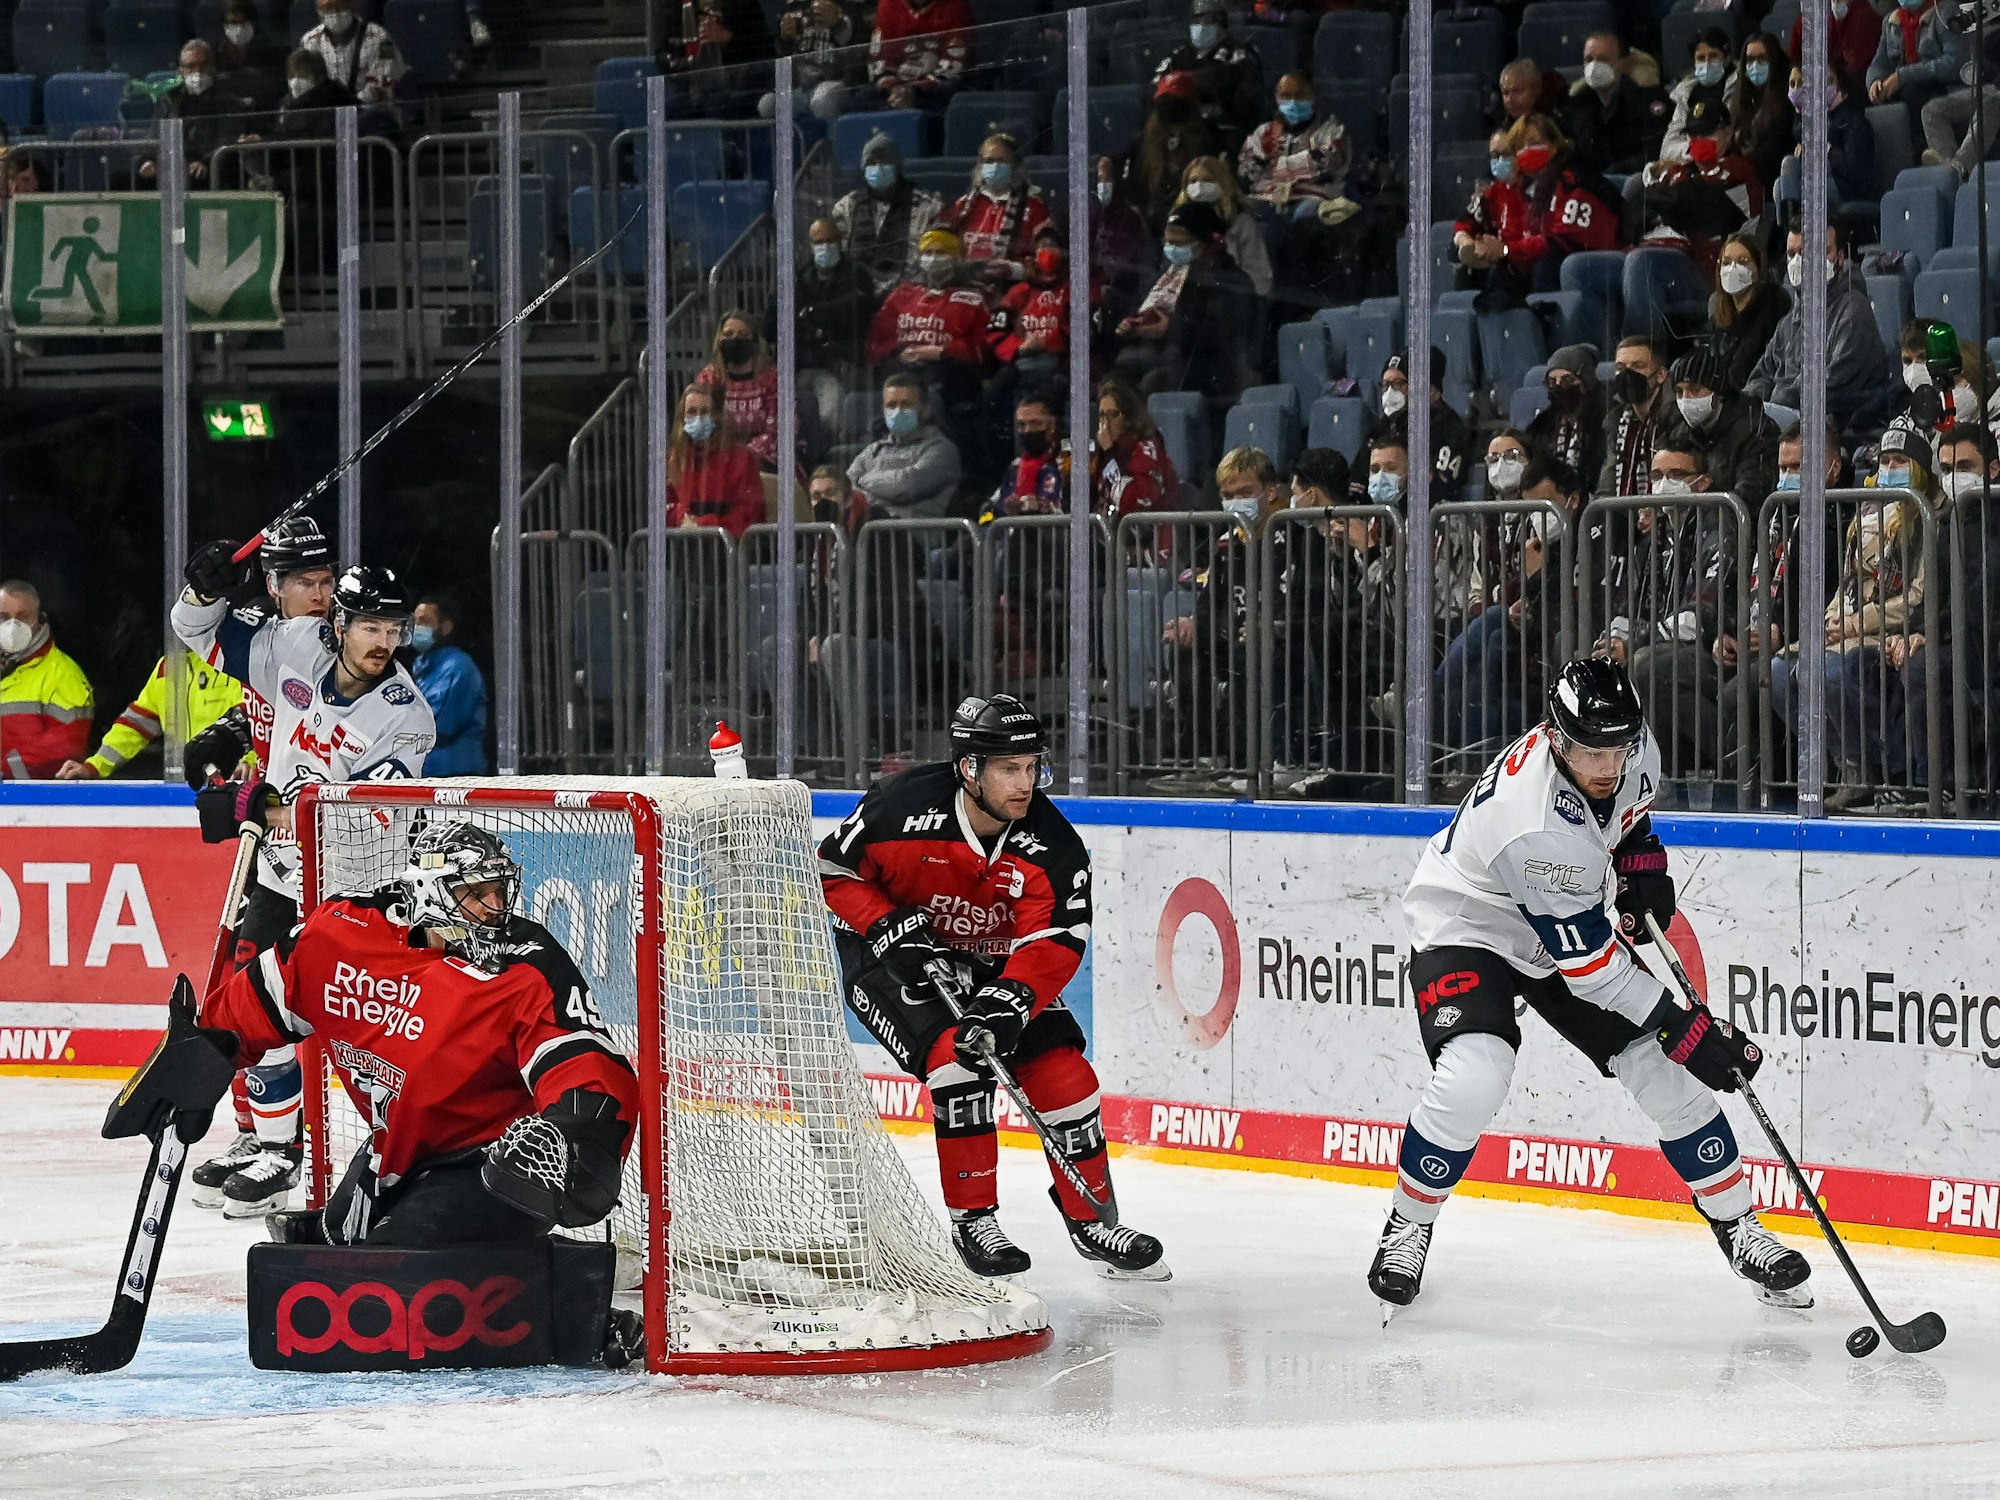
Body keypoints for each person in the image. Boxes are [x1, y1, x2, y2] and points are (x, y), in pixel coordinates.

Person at [1372, 656, 1811, 1313]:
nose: (1608, 767)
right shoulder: (1534, 823)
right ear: (1554, 738)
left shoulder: (1633, 749)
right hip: (1471, 923)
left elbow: (1628, 821)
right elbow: (1593, 972)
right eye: (1588, 752)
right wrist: (1686, 1027)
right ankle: (1410, 1222)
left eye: (1618, 749)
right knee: (1473, 1077)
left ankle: (1739, 1226)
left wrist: (1641, 863)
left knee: (1667, 1075)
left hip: (1560, 923)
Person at [818, 694, 1168, 1279]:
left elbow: (1055, 938)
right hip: (891, 959)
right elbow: (832, 871)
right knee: (959, 1066)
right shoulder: (898, 806)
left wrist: (1012, 999)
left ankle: (1092, 1218)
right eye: (1009, 768)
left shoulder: (1053, 843)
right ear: (968, 769)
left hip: (994, 966)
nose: (1025, 784)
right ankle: (974, 1219)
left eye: (1032, 768)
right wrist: (882, 923)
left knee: (1066, 1076)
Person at [193, 820, 639, 1247]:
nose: (494, 906)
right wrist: (193, 1057)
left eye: (498, 890)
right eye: (474, 893)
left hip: (491, 1163)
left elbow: (582, 1062)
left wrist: (583, 1138)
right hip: (396, 1152)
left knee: (396, 1268)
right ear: (430, 891)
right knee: (331, 1246)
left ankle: (591, 1309)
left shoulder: (525, 961)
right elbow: (254, 1004)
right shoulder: (344, 933)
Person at [171, 556, 435, 1215]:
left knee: (362, 1041)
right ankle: (277, 1151)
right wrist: (204, 589)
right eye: (371, 625)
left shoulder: (406, 716)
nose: (384, 642)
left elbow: (353, 812)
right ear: (338, 624)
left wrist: (250, 808)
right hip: (282, 878)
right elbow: (198, 635)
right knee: (249, 1004)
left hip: (357, 894)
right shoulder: (295, 645)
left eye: (395, 629)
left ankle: (412, 1158)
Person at [1110, 201, 1256, 410]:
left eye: (1180, 243)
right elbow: (1142, 303)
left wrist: (1169, 328)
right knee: (1117, 376)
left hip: (1208, 367)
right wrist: (1133, 323)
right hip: (1163, 355)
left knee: (1151, 382)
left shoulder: (1231, 281)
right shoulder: (1169, 275)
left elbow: (1221, 334)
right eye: (1168, 243)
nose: (1172, 250)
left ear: (1206, 242)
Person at [1746, 224, 1888, 430]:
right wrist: (1746, 404)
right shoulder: (1789, 321)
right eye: (1792, 254)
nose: (1798, 262)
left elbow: (1835, 382)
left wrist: (1779, 399)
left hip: (1836, 428)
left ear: (1838, 257)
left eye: (1808, 253)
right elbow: (1762, 374)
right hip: (1785, 419)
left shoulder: (1854, 312)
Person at [1489, 114, 1619, 302]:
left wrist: (1507, 249)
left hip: (1591, 260)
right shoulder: (1522, 190)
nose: (1526, 151)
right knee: (1500, 275)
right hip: (1549, 258)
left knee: (1546, 265)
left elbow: (1559, 241)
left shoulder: (1574, 181)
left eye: (1534, 143)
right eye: (1520, 147)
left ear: (1554, 145)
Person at [57, 650, 242, 780]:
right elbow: (135, 725)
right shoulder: (168, 667)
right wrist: (95, 766)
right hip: (186, 786)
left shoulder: (237, 659)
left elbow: (256, 720)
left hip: (235, 785)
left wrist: (249, 763)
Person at [1654, 344, 1778, 504]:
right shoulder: (1679, 431)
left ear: (1718, 393)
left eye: (1696, 389)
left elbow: (1750, 496)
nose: (1686, 398)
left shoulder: (1757, 431)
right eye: (1679, 391)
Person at [0, 580, 93, 780]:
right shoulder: (6, 669)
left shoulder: (63, 674)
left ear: (40, 618)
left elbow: (67, 746)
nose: (12, 625)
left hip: (40, 802)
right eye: (3, 617)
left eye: (23, 617)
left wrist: (5, 769)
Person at [833, 133, 942, 301]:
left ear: (897, 167)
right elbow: (837, 257)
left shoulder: (927, 207)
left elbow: (933, 260)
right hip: (855, 299)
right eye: (872, 163)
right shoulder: (847, 207)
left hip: (910, 296)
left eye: (884, 162)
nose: (878, 168)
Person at [773, 215, 874, 396]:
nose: (824, 247)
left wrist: (811, 313)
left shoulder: (857, 274)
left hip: (843, 361)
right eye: (818, 242)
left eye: (829, 241)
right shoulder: (800, 278)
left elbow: (855, 311)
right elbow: (778, 321)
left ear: (840, 242)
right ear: (810, 245)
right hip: (803, 362)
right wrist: (813, 327)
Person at [1235, 72, 1351, 225]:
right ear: (1277, 98)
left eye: (1299, 95)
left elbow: (1324, 164)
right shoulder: (1263, 132)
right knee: (1241, 215)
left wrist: (1272, 166)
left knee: (1304, 218)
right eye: (1286, 95)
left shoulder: (1331, 130)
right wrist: (1295, 164)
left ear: (1311, 97)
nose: (1293, 101)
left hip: (1313, 198)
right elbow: (1246, 174)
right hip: (1267, 197)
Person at [1151, 0, 1264, 155]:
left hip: (1223, 129)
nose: (1201, 26)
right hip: (1181, 124)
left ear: (1221, 23)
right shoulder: (1179, 55)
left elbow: (1238, 80)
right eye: (1197, 21)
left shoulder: (1238, 52)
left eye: (1208, 20)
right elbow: (1158, 84)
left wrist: (1189, 79)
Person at [846, 371, 962, 518]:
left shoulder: (942, 449)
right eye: (891, 405)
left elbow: (907, 486)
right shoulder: (874, 450)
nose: (898, 411)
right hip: (872, 529)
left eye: (906, 404)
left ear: (925, 409)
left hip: (913, 535)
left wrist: (862, 480)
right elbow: (847, 487)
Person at [939, 133, 1048, 281]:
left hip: (1010, 289)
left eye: (1002, 161)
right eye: (989, 161)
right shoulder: (963, 205)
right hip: (964, 285)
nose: (995, 166)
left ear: (1015, 167)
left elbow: (1045, 259)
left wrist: (1014, 270)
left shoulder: (1034, 207)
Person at [1560, 32, 1669, 178]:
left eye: (1603, 59)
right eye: (1589, 60)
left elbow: (1654, 152)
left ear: (1625, 63)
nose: (1594, 66)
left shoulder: (1646, 99)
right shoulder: (1578, 104)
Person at [666, 382, 763, 538]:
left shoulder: (741, 458)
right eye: (691, 411)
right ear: (681, 418)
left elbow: (749, 513)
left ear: (716, 416)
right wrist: (680, 516)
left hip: (727, 548)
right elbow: (661, 507)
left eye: (704, 412)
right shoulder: (672, 459)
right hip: (681, 547)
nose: (698, 418)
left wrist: (705, 525)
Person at [1377, 348, 1472, 504]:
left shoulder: (1449, 428)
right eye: (1386, 385)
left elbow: (1440, 488)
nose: (1391, 393)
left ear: (1433, 390)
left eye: (1399, 384)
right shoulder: (1386, 425)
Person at [1174, 155, 1273, 301]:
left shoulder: (1242, 223)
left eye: (1207, 180)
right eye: (1193, 181)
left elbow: (1260, 282)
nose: (1199, 186)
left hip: (1229, 301)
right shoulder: (1178, 222)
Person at [696, 311, 784, 474]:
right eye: (728, 334)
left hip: (764, 462)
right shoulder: (708, 379)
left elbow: (777, 431)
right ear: (719, 340)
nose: (735, 340)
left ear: (755, 342)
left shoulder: (773, 379)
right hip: (720, 459)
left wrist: (743, 456)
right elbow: (701, 425)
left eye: (743, 334)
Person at [140, 42, 239, 186]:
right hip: (170, 170)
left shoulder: (228, 101)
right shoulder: (169, 101)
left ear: (213, 67)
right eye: (191, 66)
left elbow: (228, 140)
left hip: (209, 170)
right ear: (181, 71)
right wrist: (148, 160)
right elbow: (153, 137)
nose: (197, 71)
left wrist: (205, 163)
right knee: (121, 180)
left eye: (203, 64)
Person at [409, 596, 487, 776]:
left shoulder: (458, 666)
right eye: (415, 621)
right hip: (428, 773)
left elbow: (443, 725)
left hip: (457, 774)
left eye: (425, 621)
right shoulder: (421, 665)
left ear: (445, 628)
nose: (416, 627)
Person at [1134, 72, 1218, 229]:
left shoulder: (1211, 138)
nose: (1170, 108)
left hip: (1195, 222)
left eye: (1176, 102)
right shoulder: (1143, 143)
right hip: (1154, 224)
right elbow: (1137, 189)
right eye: (1165, 102)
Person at [1707, 233, 1788, 395]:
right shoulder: (1718, 310)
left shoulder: (1774, 304)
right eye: (1727, 262)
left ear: (1758, 268)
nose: (1732, 269)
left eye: (1743, 262)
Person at [1092, 375, 1181, 518]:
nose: (1106, 423)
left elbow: (1138, 501)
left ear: (1129, 417)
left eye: (1114, 414)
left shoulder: (1146, 447)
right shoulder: (1101, 454)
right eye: (1102, 415)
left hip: (1146, 536)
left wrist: (1110, 454)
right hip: (1105, 536)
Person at [1600, 334, 1673, 497]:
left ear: (1661, 375)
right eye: (1620, 368)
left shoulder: (1675, 417)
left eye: (1637, 366)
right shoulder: (1615, 421)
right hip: (1628, 516)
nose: (1627, 374)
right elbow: (1607, 482)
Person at [1867, 0, 1963, 123]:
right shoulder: (1891, 21)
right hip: (1905, 87)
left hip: (1941, 86)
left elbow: (1954, 63)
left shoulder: (1946, 12)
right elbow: (1880, 61)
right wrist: (1875, 81)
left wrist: (1904, 76)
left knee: (1911, 93)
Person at [762, 0, 859, 122]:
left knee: (822, 99)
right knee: (767, 105)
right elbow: (782, 53)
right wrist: (785, 39)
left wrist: (837, 25)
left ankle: (834, 139)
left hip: (838, 84)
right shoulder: (792, 7)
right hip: (801, 89)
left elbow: (858, 50)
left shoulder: (847, 5)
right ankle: (791, 140)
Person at [866, 0, 971, 111]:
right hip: (897, 86)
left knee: (949, 91)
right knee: (864, 97)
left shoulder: (954, 5)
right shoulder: (888, 4)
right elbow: (879, 58)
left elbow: (955, 62)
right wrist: (893, 87)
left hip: (935, 86)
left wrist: (916, 90)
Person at [1526, 344, 1606, 489]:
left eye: (1568, 380)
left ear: (1587, 381)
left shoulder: (1606, 420)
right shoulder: (1540, 427)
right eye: (1552, 382)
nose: (1559, 386)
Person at [300, 0, 404, 109]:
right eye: (328, 7)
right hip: (326, 116)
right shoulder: (309, 42)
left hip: (371, 112)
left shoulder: (381, 37)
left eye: (340, 5)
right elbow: (308, 87)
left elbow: (382, 85)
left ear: (350, 4)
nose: (335, 11)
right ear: (318, 10)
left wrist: (347, 106)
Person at [1660, 28, 1741, 165]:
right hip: (1692, 165)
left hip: (1730, 163)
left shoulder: (1740, 85)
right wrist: (1698, 149)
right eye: (1701, 58)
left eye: (1713, 56)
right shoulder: (1686, 93)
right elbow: (1667, 149)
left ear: (1727, 58)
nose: (1707, 63)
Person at [1734, 32, 1796, 193]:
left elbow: (1773, 154)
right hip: (1744, 181)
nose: (1755, 65)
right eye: (1750, 60)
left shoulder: (1786, 99)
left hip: (1770, 183)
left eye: (1762, 59)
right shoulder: (1743, 98)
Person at [213, 0, 288, 114]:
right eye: (232, 23)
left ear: (253, 22)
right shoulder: (215, 52)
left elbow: (277, 88)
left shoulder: (272, 51)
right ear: (224, 25)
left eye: (243, 22)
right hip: (226, 113)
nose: (238, 28)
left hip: (263, 112)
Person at [1791, 0, 1884, 88]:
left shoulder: (1865, 17)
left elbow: (1856, 69)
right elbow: (1796, 50)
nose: (1836, 1)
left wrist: (1832, 75)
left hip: (1854, 89)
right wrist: (1796, 68)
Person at [276, 47, 357, 136]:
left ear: (320, 78)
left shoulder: (336, 99)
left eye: (303, 76)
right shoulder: (286, 104)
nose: (295, 81)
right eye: (291, 76)